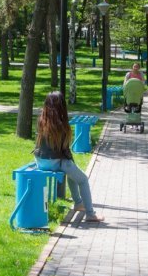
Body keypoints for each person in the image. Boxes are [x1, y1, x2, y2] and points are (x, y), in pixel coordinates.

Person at [34, 92, 102, 222]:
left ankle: (78, 203)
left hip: (40, 161)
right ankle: (90, 214)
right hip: (55, 161)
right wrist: (71, 161)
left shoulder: (41, 120)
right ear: (62, 106)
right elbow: (64, 149)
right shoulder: (61, 124)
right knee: (83, 179)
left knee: (72, 170)